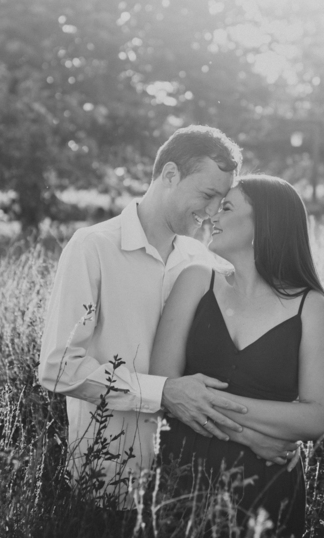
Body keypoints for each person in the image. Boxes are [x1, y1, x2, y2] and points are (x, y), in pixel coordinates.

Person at [38, 126, 300, 502]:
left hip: (189, 482)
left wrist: (251, 435)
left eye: (222, 201)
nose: (212, 212)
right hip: (109, 477)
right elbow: (58, 367)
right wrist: (162, 392)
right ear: (171, 174)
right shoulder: (92, 248)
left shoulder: (203, 262)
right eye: (207, 195)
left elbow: (218, 375)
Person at [151, 174, 324, 538]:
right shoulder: (196, 281)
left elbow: (318, 417)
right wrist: (250, 436)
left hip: (266, 485)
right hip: (185, 473)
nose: (212, 217)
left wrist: (204, 401)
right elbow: (164, 385)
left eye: (226, 207)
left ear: (263, 223)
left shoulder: (311, 307)